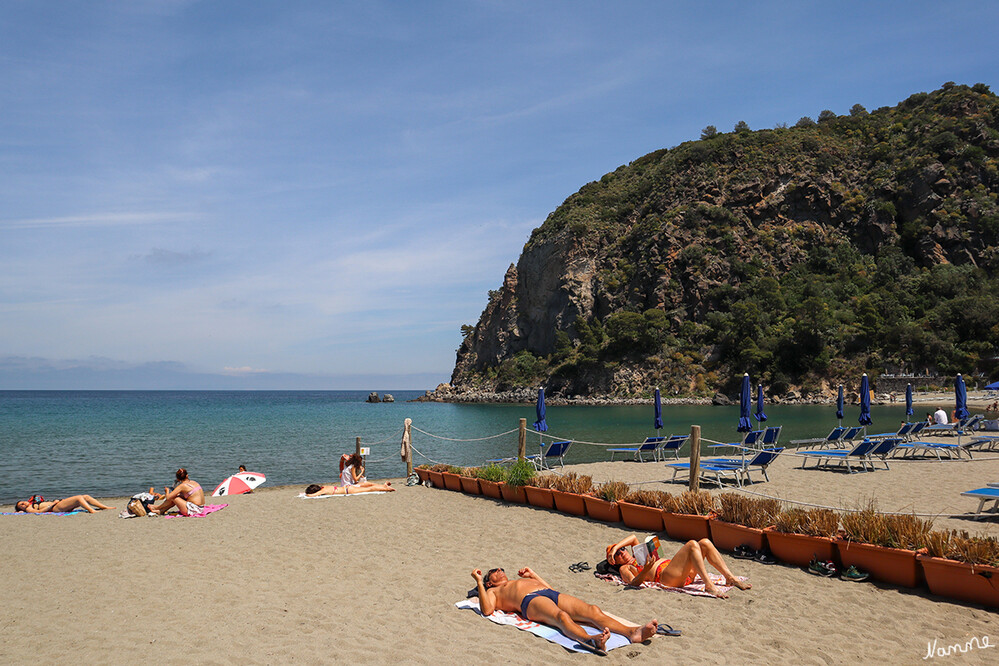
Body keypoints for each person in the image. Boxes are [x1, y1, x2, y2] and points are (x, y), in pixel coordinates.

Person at [471, 566, 658, 655]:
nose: (500, 570)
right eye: (495, 571)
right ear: (490, 582)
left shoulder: (516, 581)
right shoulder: (494, 591)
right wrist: (479, 582)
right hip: (529, 602)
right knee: (561, 616)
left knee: (592, 610)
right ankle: (590, 640)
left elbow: (550, 588)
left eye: (501, 568)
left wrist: (534, 575)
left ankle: (632, 632)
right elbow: (487, 610)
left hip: (548, 593)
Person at [605, 534, 750, 599]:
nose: (621, 552)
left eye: (622, 549)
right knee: (692, 544)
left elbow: (632, 537)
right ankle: (708, 584)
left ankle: (730, 578)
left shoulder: (638, 553)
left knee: (705, 542)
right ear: (615, 562)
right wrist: (646, 571)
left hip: (681, 573)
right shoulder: (625, 568)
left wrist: (614, 547)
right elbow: (633, 583)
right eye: (617, 554)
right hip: (666, 577)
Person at [15, 495, 115, 514]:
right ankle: (91, 510)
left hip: (58, 504)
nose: (23, 504)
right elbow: (40, 511)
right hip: (55, 508)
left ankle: (104, 507)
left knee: (86, 497)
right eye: (21, 506)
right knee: (79, 498)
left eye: (22, 502)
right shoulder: (29, 509)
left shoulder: (34, 502)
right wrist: (53, 504)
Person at [303, 482, 394, 496]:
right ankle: (383, 485)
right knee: (367, 485)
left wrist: (307, 494)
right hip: (347, 486)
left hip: (348, 490)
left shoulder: (323, 491)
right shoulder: (324, 487)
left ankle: (385, 488)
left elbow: (313, 495)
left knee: (369, 489)